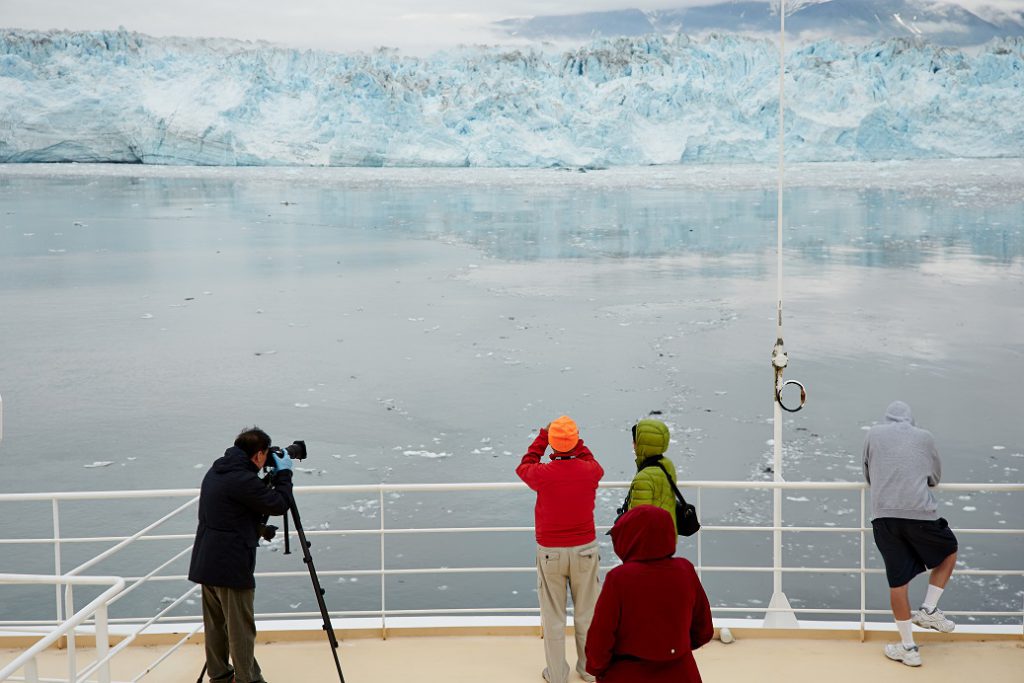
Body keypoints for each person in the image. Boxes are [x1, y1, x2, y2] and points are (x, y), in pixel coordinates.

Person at [188, 427, 294, 683]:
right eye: (266, 455)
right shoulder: (243, 480)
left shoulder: (217, 471)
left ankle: (220, 676)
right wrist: (284, 474)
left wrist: (256, 527)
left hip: (206, 560)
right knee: (240, 629)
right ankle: (247, 679)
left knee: (216, 626)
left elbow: (229, 513)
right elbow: (279, 504)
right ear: (258, 455)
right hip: (231, 565)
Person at [864, 400, 958, 668]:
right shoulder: (924, 437)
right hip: (920, 515)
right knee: (949, 550)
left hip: (884, 518)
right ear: (910, 421)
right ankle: (928, 609)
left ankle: (909, 649)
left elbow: (868, 473)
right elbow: (935, 477)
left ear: (886, 419)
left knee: (898, 582)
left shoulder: (873, 433)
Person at [516, 416, 604, 683]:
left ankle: (556, 675)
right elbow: (592, 461)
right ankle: (588, 669)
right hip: (585, 551)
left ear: (553, 444)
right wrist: (576, 442)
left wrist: (543, 437)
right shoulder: (590, 471)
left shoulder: (542, 475)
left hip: (551, 552)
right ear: (576, 442)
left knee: (554, 617)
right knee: (587, 613)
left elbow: (524, 465)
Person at [585, 505, 713, 682]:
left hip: (628, 674)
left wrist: (597, 669)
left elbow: (600, 640)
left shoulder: (619, 579)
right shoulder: (685, 570)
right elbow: (704, 631)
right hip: (681, 672)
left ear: (629, 538)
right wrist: (672, 651)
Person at [621, 418, 679, 527]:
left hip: (648, 540)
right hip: (666, 534)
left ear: (641, 444)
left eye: (634, 441)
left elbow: (638, 519)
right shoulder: (667, 465)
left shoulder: (644, 477)